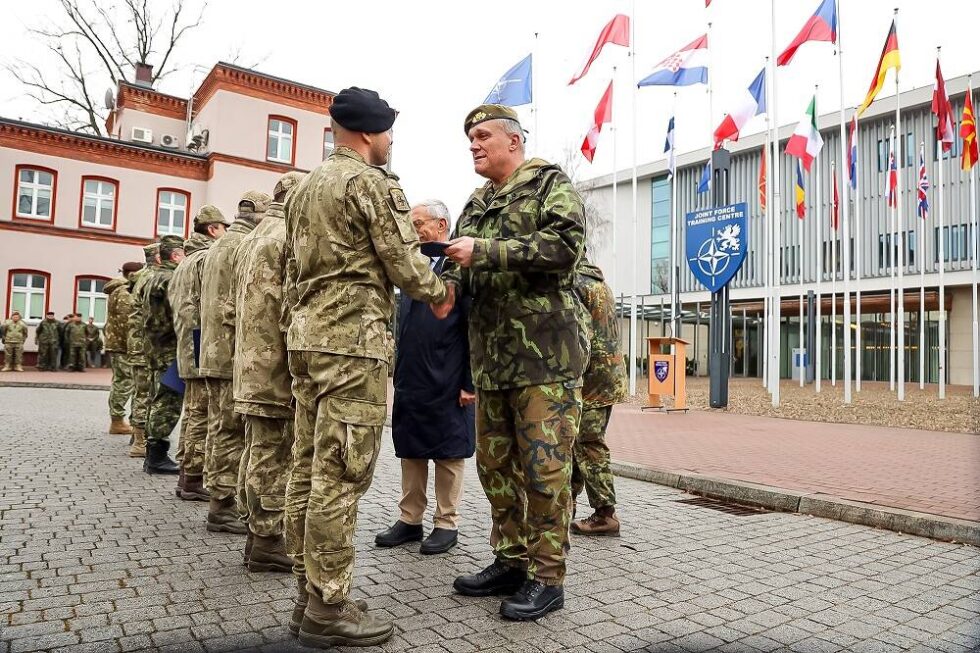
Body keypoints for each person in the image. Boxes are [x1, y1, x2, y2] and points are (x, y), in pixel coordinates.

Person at [283, 86, 452, 648]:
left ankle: (309, 597)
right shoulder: (369, 183)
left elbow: (289, 269)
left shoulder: (305, 188)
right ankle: (330, 609)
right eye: (387, 133)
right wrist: (438, 290)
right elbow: (405, 261)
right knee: (342, 474)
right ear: (366, 133)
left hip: (306, 343)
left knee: (309, 467)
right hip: (352, 346)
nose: (390, 142)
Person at [441, 104, 588, 621]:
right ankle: (510, 559)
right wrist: (439, 285)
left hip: (544, 361)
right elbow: (458, 270)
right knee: (496, 467)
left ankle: (548, 578)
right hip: (493, 363)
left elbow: (565, 248)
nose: (474, 145)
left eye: (482, 136)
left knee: (545, 471)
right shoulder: (477, 202)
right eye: (470, 139)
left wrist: (486, 251)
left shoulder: (549, 183)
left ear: (513, 141)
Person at [375, 199, 475, 555]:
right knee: (412, 450)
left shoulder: (459, 266)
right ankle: (410, 519)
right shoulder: (413, 266)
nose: (413, 228)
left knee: (449, 453)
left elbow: (470, 327)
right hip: (413, 376)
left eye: (418, 222)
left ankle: (447, 523)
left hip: (449, 376)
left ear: (441, 225)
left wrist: (469, 382)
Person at [234, 172, 305, 573]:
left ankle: (255, 535)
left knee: (258, 448)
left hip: (251, 363)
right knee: (274, 453)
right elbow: (290, 305)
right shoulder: (286, 236)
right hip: (275, 366)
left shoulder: (255, 236)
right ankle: (267, 539)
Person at [200, 191, 271, 533]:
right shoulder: (245, 245)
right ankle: (223, 504)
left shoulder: (217, 246)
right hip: (232, 354)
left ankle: (219, 498)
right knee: (230, 432)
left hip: (214, 351)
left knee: (219, 427)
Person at [169, 205, 230, 501]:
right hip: (201, 342)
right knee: (202, 413)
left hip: (187, 342)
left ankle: (186, 474)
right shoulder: (206, 259)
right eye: (223, 226)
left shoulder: (184, 263)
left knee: (193, 411)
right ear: (212, 229)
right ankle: (193, 478)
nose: (226, 232)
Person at [570, 258, 628, 536]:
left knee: (588, 442)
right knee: (577, 441)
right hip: (608, 374)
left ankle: (606, 514)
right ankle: (566, 502)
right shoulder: (597, 282)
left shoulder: (576, 284)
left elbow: (579, 336)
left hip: (592, 377)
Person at [140, 235, 186, 474]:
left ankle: (153, 453)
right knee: (168, 401)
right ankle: (157, 455)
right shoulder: (172, 278)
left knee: (157, 398)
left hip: (156, 346)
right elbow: (182, 315)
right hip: (170, 348)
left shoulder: (154, 276)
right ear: (176, 255)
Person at [128, 243, 162, 457]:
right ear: (157, 257)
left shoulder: (142, 276)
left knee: (140, 391)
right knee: (145, 393)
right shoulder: (151, 278)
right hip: (144, 344)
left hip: (137, 343)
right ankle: (140, 443)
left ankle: (137, 434)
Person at [103, 263, 143, 435]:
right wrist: (133, 345)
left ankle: (118, 419)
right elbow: (128, 322)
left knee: (122, 381)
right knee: (124, 382)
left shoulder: (118, 290)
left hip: (118, 344)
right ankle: (117, 420)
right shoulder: (124, 292)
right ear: (132, 274)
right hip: (124, 345)